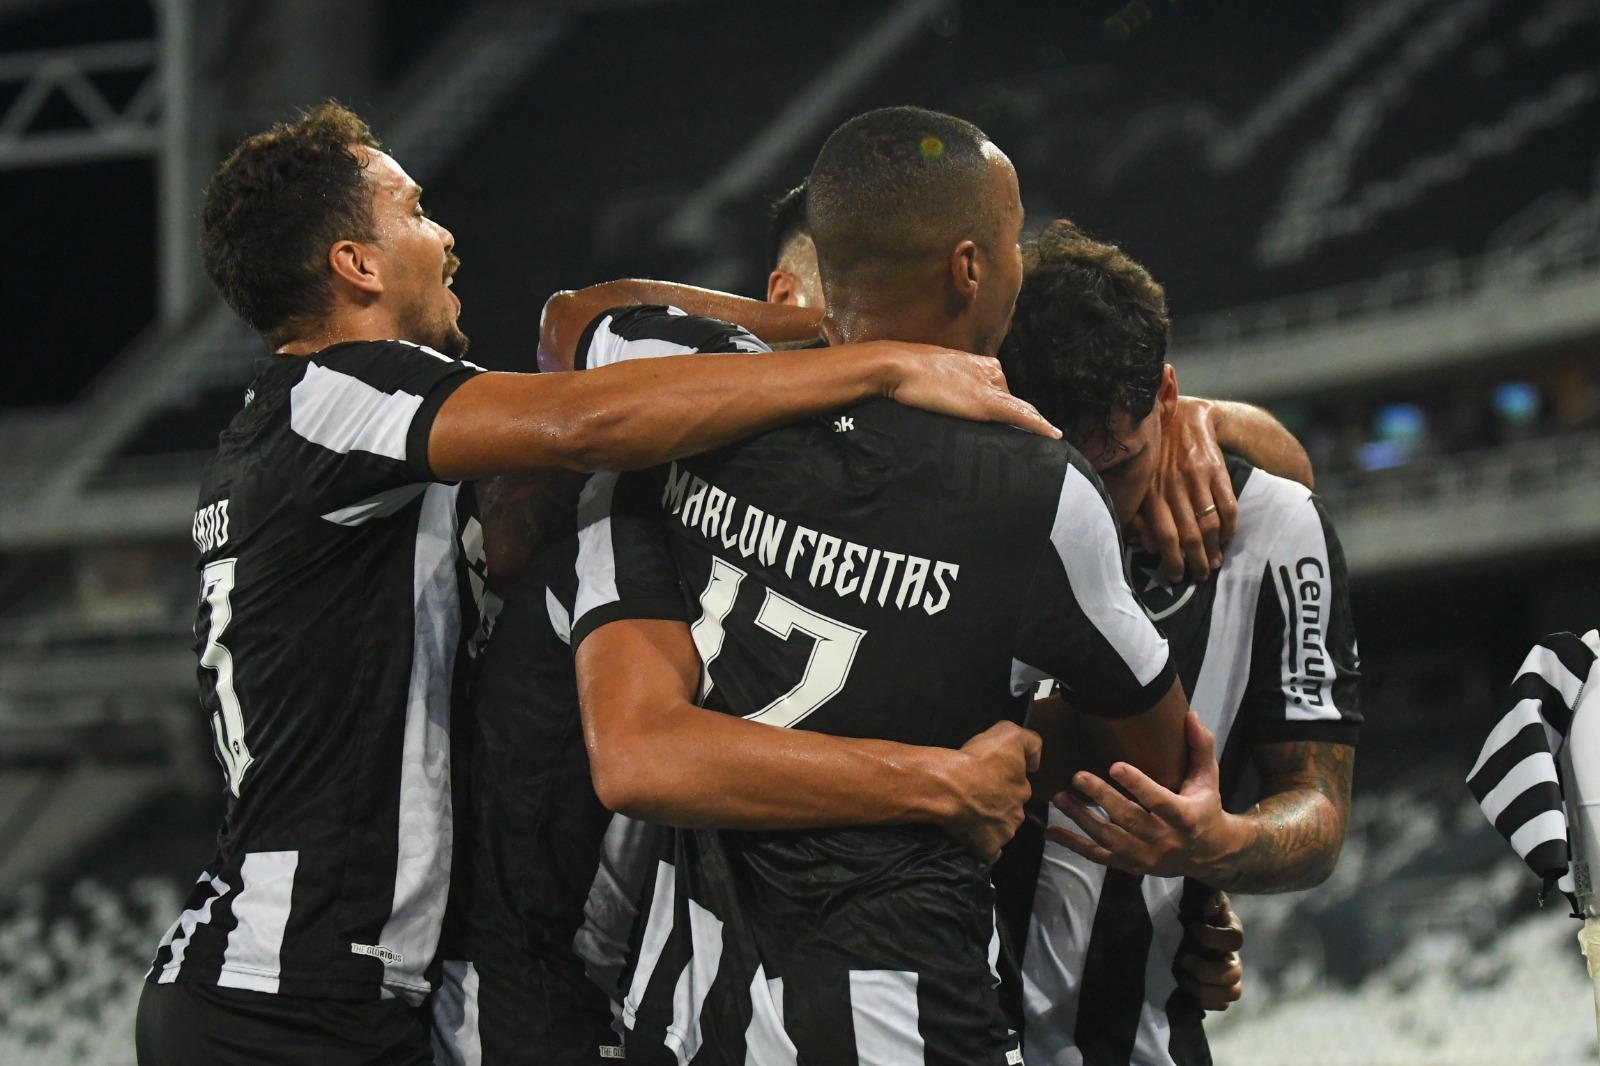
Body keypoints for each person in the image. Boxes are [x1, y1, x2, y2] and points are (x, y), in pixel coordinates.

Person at [131, 101, 1057, 1066]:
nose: (445, 237)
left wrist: (828, 329)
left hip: (326, 993)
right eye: (414, 212)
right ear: (356, 265)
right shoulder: (335, 393)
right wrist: (878, 363)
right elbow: (581, 421)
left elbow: (574, 331)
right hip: (282, 1000)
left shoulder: (322, 442)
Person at [567, 104, 1200, 1065]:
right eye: (1012, 240)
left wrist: (847, 342)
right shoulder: (1036, 487)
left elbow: (581, 321)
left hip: (688, 1002)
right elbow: (1152, 759)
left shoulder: (684, 405)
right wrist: (1009, 740)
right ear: (969, 268)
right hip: (903, 1007)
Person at [992, 220, 1361, 1066]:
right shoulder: (961, 503)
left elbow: (1318, 804)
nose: (1090, 506)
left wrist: (1219, 844)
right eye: (1061, 472)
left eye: (1115, 468)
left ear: (1167, 395)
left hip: (1140, 1041)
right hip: (939, 1030)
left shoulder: (1274, 531)